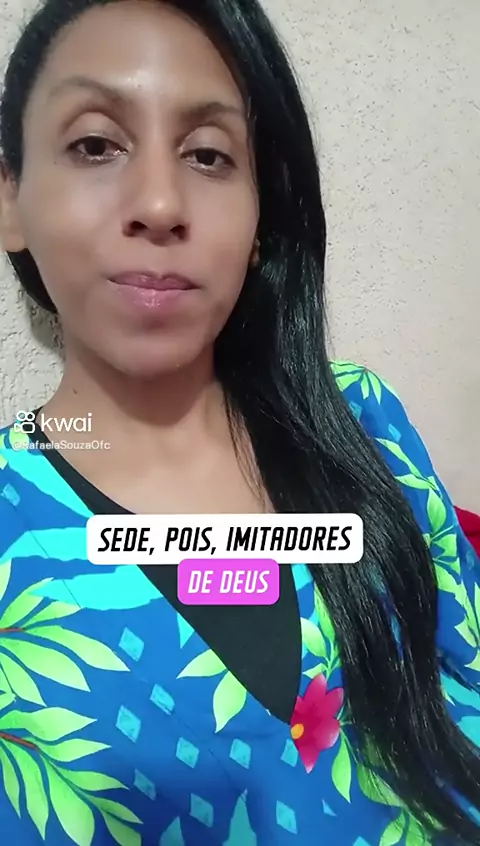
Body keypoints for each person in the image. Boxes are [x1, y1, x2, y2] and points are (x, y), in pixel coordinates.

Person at [0, 1, 478, 844]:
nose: (159, 202)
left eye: (209, 155)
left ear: (261, 221)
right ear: (10, 198)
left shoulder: (361, 422)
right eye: (96, 145)